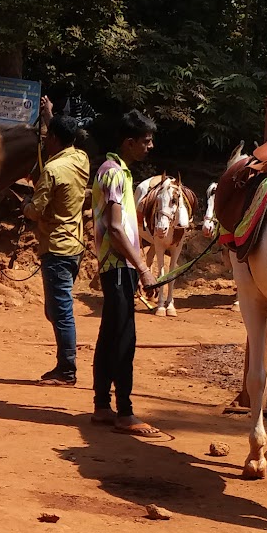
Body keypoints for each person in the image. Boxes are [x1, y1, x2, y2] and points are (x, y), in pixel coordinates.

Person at [91, 109, 162, 436]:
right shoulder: (116, 174)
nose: (149, 146)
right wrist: (144, 268)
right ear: (129, 142)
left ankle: (103, 406)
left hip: (116, 266)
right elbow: (117, 230)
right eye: (145, 141)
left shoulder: (113, 171)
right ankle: (125, 411)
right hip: (120, 267)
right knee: (124, 339)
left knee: (109, 335)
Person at [22, 111, 91, 385]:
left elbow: (36, 211)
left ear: (53, 138)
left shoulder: (52, 170)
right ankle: (65, 364)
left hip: (57, 247)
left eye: (47, 137)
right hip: (75, 244)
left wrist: (25, 205)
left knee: (60, 311)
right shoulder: (81, 159)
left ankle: (67, 370)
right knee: (55, 309)